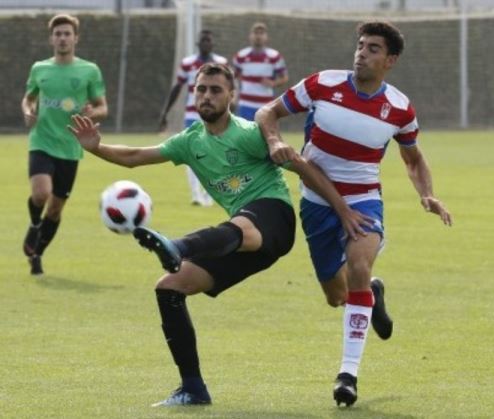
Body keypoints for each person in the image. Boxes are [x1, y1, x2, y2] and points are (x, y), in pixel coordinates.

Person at [68, 63, 371, 407]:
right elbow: (137, 156)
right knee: (169, 288)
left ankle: (176, 246)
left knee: (243, 227)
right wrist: (96, 147)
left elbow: (303, 166)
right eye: (201, 89)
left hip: (273, 217)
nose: (207, 95)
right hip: (239, 239)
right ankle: (193, 388)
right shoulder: (189, 141)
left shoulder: (247, 133)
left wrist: (343, 210)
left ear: (232, 95)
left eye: (215, 89)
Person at [256, 21, 452, 407]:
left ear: (390, 60)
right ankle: (371, 296)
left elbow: (413, 158)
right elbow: (267, 112)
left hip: (363, 201)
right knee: (337, 296)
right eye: (361, 45)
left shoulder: (399, 108)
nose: (362, 52)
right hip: (316, 202)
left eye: (373, 48)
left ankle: (348, 375)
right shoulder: (322, 84)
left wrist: (427, 194)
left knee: (359, 265)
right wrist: (275, 138)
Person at [21, 14, 108, 275]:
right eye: (58, 33)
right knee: (41, 194)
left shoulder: (89, 70)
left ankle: (37, 254)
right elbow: (28, 99)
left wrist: (91, 113)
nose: (62, 38)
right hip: (42, 140)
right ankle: (35, 224)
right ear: (51, 38)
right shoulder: (39, 68)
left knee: (56, 209)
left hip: (70, 147)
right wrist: (28, 111)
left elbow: (103, 107)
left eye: (67, 33)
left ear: (75, 38)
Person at [159, 29, 227, 206]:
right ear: (198, 43)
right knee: (192, 154)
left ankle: (210, 193)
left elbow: (228, 90)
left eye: (209, 41)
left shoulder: (221, 63)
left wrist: (229, 110)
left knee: (216, 153)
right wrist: (165, 112)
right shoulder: (188, 63)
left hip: (216, 114)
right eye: (203, 40)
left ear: (213, 44)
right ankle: (196, 194)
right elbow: (177, 87)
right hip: (192, 114)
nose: (206, 43)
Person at [232, 22, 288, 121]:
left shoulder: (274, 57)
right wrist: (235, 95)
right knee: (245, 135)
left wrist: (273, 83)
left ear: (266, 37)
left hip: (265, 104)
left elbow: (284, 78)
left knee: (264, 134)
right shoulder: (241, 56)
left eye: (261, 33)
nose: (258, 36)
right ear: (250, 36)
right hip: (245, 103)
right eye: (255, 33)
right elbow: (233, 78)